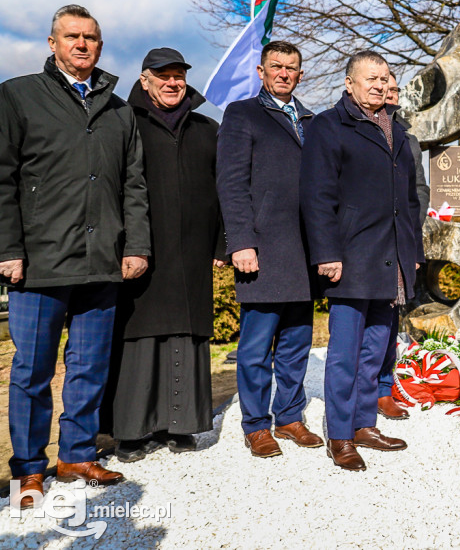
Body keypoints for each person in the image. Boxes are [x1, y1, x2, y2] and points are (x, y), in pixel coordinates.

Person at [0, 5, 150, 503]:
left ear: (100, 46)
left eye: (90, 37)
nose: (82, 44)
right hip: (40, 261)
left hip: (101, 258)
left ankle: (77, 454)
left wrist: (136, 246)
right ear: (52, 43)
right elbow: (3, 180)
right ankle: (29, 467)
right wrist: (8, 248)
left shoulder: (118, 109)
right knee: (32, 370)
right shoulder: (18, 96)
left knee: (89, 365)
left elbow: (133, 184)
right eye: (72, 36)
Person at [300, 50, 424, 471]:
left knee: (375, 349)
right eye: (369, 78)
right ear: (349, 84)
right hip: (350, 255)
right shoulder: (328, 126)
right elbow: (317, 196)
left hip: (391, 256)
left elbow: (409, 200)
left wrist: (413, 253)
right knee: (345, 353)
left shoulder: (398, 130)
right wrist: (327, 254)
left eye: (383, 77)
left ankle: (363, 424)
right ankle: (340, 435)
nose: (377, 83)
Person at [103, 48, 226, 462]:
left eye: (179, 76)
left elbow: (225, 190)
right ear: (144, 80)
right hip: (140, 250)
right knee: (139, 335)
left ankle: (182, 425)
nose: (173, 83)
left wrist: (221, 244)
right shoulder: (124, 123)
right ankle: (133, 431)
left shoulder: (207, 128)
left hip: (193, 250)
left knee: (186, 335)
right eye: (164, 76)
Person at [217, 41, 324, 458]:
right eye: (276, 66)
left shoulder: (313, 121)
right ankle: (257, 424)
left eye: (291, 68)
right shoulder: (242, 114)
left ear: (300, 75)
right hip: (261, 248)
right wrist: (240, 242)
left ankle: (290, 416)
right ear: (261, 72)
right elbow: (230, 183)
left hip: (305, 251)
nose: (284, 73)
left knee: (298, 341)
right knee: (257, 345)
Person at [376, 72, 429, 421]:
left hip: (399, 243)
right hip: (365, 243)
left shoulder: (408, 139)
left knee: (390, 320)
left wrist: (409, 235)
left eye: (395, 90)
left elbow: (419, 191)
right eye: (384, 89)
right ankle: (357, 390)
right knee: (357, 325)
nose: (390, 95)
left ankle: (382, 389)